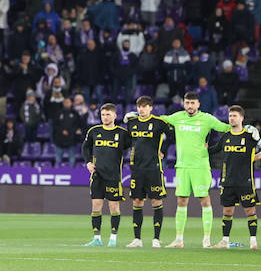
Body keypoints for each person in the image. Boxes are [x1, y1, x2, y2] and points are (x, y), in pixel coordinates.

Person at [159, 91, 232, 248]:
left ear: (198, 104)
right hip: (182, 166)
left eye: (193, 103)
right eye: (187, 103)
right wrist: (137, 115)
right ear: (183, 104)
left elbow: (226, 128)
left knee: (204, 200)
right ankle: (179, 239)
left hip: (200, 166)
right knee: (181, 200)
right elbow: (159, 121)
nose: (190, 106)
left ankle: (206, 239)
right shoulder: (177, 117)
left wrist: (244, 127)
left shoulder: (207, 118)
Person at [215, 106, 261, 249]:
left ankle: (253, 241)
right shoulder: (226, 136)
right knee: (227, 211)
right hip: (228, 180)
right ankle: (225, 241)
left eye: (234, 115)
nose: (232, 118)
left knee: (250, 211)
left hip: (245, 181)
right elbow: (214, 150)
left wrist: (257, 150)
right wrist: (201, 148)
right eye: (230, 116)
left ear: (241, 118)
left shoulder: (249, 136)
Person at [124, 95, 174, 248]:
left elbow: (172, 136)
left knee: (156, 201)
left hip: (153, 168)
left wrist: (163, 150)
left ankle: (156, 239)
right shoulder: (132, 123)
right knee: (137, 202)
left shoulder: (158, 123)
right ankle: (137, 239)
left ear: (151, 108)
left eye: (145, 106)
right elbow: (128, 141)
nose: (142, 109)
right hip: (137, 169)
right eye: (139, 106)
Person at [82, 103, 131, 247]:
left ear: (115, 116)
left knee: (114, 207)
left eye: (108, 114)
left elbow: (136, 143)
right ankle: (97, 238)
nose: (105, 117)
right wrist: (88, 162)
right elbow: (85, 147)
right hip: (97, 175)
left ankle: (113, 238)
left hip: (113, 176)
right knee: (96, 205)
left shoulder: (122, 134)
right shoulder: (94, 131)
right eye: (103, 114)